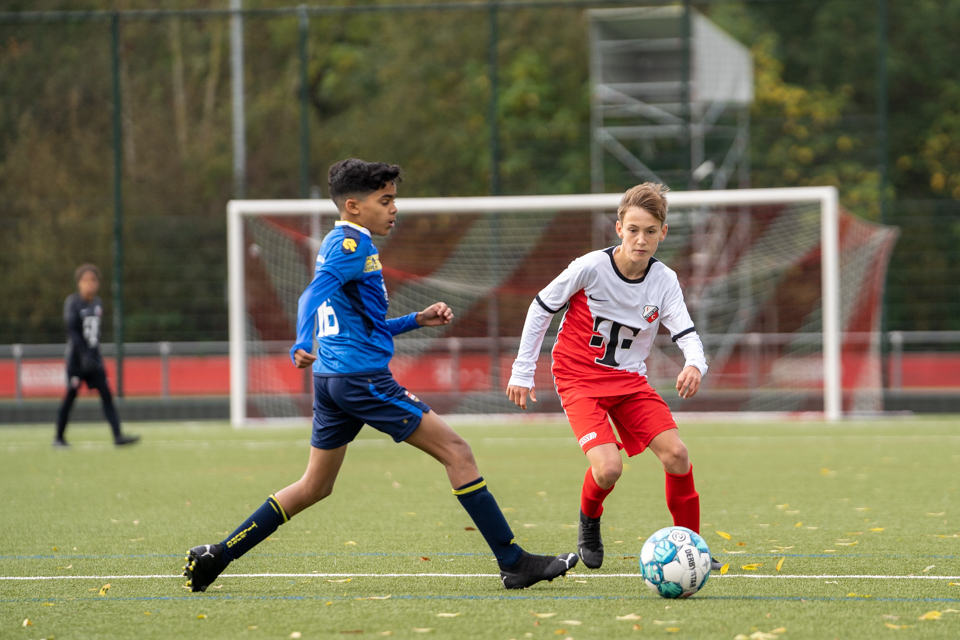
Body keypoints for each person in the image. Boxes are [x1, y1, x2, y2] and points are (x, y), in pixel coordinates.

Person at [183, 159, 577, 592]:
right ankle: (513, 561)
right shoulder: (350, 248)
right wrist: (300, 340)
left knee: (314, 485)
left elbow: (364, 325)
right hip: (362, 379)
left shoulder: (344, 244)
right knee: (458, 452)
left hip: (334, 381)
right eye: (385, 201)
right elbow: (310, 296)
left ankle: (218, 554)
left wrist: (416, 320)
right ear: (353, 206)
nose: (394, 209)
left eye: (394, 200)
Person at [506, 182, 720, 571]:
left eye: (651, 231)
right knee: (608, 468)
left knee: (677, 455)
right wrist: (523, 370)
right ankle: (589, 521)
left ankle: (694, 548)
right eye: (633, 229)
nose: (641, 239)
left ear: (663, 233)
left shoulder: (664, 280)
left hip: (629, 382)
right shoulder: (590, 267)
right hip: (578, 379)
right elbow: (541, 308)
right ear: (619, 227)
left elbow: (686, 332)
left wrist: (695, 363)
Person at [54, 264, 140, 448]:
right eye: (85, 280)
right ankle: (58, 438)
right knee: (70, 398)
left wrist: (93, 356)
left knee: (107, 396)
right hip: (77, 361)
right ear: (79, 283)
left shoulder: (97, 303)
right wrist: (83, 355)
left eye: (93, 280)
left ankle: (118, 436)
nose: (89, 284)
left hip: (95, 360)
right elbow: (72, 331)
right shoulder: (73, 303)